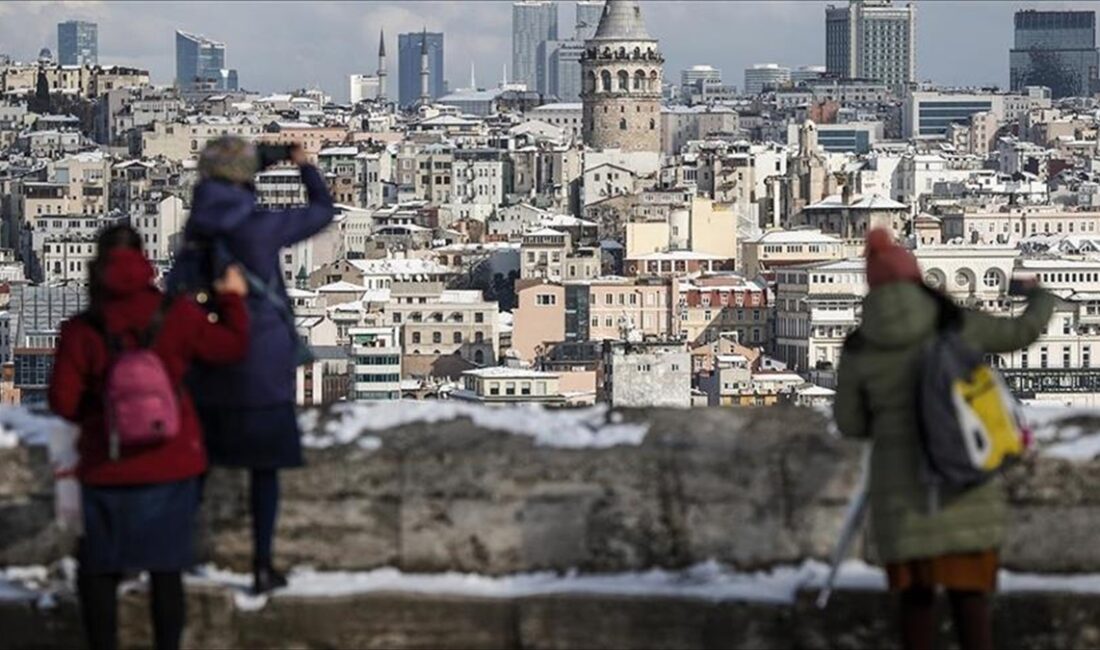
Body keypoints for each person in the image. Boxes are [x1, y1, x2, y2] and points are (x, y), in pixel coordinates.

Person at [834, 229, 1055, 650]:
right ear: (915, 276)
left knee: (915, 603)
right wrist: (1041, 297)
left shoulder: (860, 346)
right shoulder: (954, 323)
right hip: (962, 482)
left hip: (900, 496)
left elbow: (850, 423)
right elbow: (1021, 333)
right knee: (970, 601)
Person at [49, 225, 250, 650]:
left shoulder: (83, 328)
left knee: (99, 569)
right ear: (144, 260)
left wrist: (104, 417)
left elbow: (63, 402)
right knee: (166, 571)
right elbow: (230, 348)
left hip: (107, 465)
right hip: (170, 462)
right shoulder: (174, 314)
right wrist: (232, 298)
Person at [183, 136, 335, 594]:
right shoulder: (257, 226)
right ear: (246, 175)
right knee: (263, 471)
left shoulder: (196, 227)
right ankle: (262, 566)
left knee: (196, 468)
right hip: (261, 365)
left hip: (209, 362)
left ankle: (179, 556)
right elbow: (322, 211)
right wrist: (302, 166)